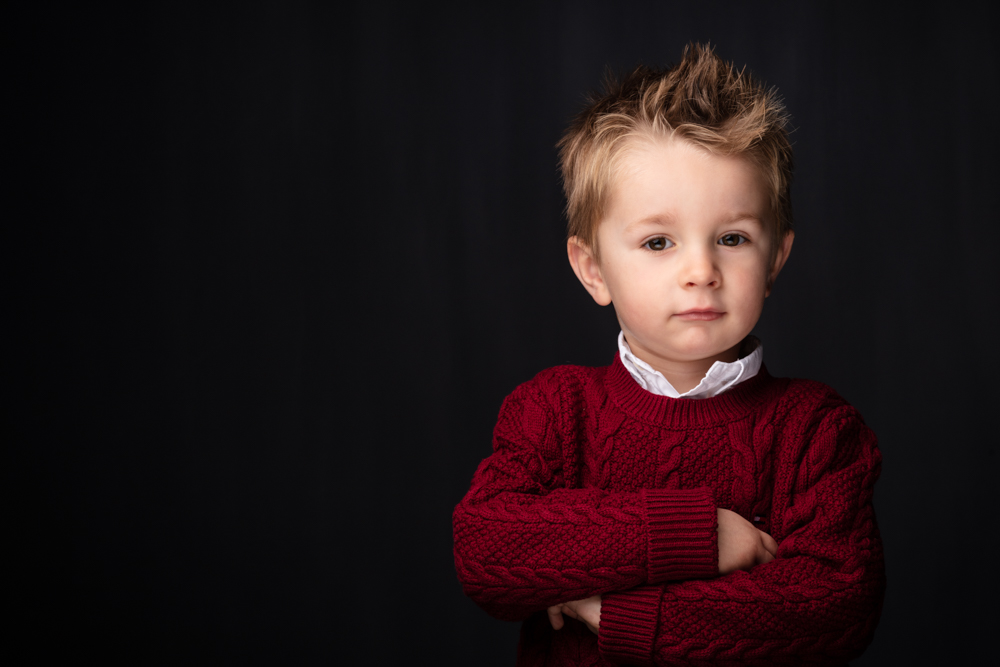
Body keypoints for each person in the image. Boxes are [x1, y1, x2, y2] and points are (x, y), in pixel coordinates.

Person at [452, 43, 884, 666]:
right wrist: (702, 535)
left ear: (775, 260)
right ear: (593, 269)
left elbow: (834, 607)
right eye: (659, 242)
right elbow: (487, 547)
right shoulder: (552, 409)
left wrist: (601, 606)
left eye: (732, 238)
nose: (701, 270)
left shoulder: (818, 431)